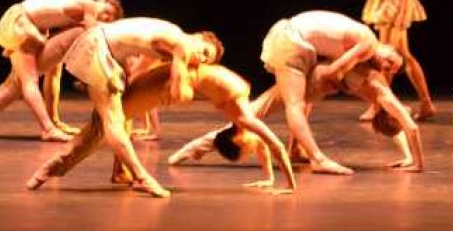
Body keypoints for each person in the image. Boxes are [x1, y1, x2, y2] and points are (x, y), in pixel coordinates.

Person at [27, 59, 297, 196]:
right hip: (167, 83)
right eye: (248, 150)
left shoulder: (240, 115)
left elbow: (264, 146)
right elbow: (274, 144)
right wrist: (289, 185)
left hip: (166, 82)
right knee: (100, 128)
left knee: (109, 123)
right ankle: (51, 167)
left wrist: (270, 178)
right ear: (238, 139)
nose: (255, 148)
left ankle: (108, 170)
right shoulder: (244, 117)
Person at [34, 17, 223, 197]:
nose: (200, 59)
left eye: (205, 61)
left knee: (109, 120)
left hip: (101, 47)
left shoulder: (168, 44)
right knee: (113, 121)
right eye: (205, 52)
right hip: (98, 48)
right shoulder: (182, 44)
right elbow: (179, 94)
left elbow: (137, 76)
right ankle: (141, 177)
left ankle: (56, 166)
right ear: (198, 37)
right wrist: (195, 83)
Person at [169, 60, 424, 173]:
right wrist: (415, 162)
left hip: (313, 82)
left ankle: (295, 150)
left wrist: (407, 155)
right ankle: (192, 149)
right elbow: (408, 126)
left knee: (280, 111)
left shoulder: (379, 95)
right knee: (249, 116)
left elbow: (399, 125)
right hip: (305, 80)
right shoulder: (381, 93)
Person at [0, 0, 123, 141]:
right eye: (107, 12)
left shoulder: (78, 17)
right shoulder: (90, 4)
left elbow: (70, 51)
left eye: (110, 18)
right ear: (101, 1)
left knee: (16, 84)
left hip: (33, 26)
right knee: (28, 82)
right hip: (22, 22)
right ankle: (48, 129)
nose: (105, 17)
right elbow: (93, 35)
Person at [257, 9, 402, 174]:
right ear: (388, 46)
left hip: (295, 40)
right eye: (390, 60)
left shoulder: (365, 43)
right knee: (295, 104)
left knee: (291, 101)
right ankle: (318, 159)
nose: (385, 66)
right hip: (292, 40)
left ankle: (295, 149)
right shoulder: (369, 45)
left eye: (388, 69)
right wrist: (335, 83)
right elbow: (334, 70)